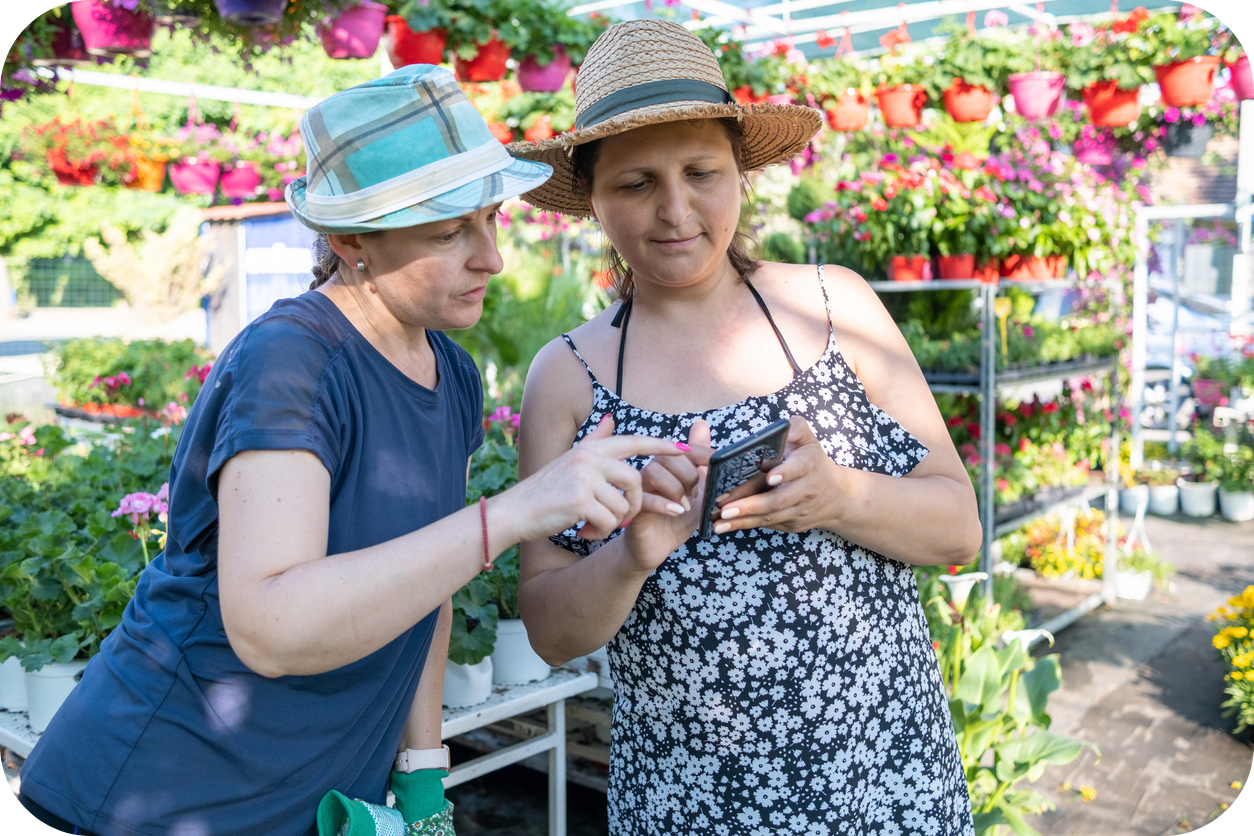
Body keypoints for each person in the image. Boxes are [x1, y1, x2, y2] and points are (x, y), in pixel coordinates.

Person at [15, 65, 690, 836]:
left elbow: (429, 583)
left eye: (491, 219)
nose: (491, 257)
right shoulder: (291, 361)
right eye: (448, 233)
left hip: (318, 793)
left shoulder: (452, 372)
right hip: (175, 790)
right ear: (347, 242)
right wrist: (511, 514)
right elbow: (271, 627)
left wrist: (425, 772)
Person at [512, 20, 983, 836]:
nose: (675, 210)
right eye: (635, 184)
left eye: (702, 172)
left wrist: (840, 496)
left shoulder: (836, 307)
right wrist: (632, 555)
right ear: (589, 196)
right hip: (687, 804)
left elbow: (958, 529)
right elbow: (552, 633)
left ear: (742, 173)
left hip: (886, 782)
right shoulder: (568, 376)